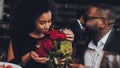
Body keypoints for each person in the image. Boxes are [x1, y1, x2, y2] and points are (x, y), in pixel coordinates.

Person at [9, 0, 74, 68]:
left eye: (49, 21)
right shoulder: (17, 37)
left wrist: (68, 42)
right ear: (31, 20)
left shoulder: (54, 35)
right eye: (42, 23)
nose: (47, 26)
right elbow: (9, 65)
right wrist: (28, 56)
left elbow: (67, 56)